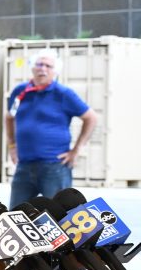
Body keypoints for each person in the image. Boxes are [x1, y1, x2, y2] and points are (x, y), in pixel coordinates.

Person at [5, 49, 98, 207]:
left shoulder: (63, 94)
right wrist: (12, 146)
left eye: (48, 66)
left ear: (55, 72)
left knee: (61, 214)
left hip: (54, 166)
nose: (43, 69)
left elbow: (90, 117)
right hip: (25, 165)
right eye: (39, 64)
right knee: (15, 215)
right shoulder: (21, 92)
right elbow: (9, 117)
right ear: (32, 67)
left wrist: (76, 149)